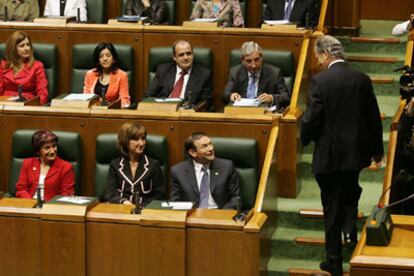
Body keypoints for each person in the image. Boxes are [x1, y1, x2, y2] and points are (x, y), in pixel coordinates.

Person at [300, 35, 383, 276]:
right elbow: (373, 118)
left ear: (326, 54)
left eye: (318, 58)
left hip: (329, 156)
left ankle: (334, 262)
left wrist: (305, 137)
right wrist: (377, 150)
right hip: (356, 154)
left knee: (331, 206)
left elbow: (312, 118)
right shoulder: (362, 79)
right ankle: (350, 228)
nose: (318, 62)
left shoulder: (319, 81)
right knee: (350, 189)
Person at [170, 132, 240, 209]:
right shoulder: (178, 171)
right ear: (193, 153)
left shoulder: (226, 167)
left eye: (210, 144)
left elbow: (236, 198)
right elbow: (175, 201)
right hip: (192, 215)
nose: (211, 149)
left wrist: (222, 215)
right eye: (204, 146)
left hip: (219, 214)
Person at [105, 122, 165, 206]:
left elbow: (159, 196)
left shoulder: (154, 165)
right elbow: (110, 194)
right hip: (121, 210)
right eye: (136, 139)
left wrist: (140, 206)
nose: (141, 143)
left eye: (143, 139)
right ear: (126, 141)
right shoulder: (115, 165)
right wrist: (124, 202)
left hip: (145, 211)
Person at [223, 41, 290, 111]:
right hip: (240, 112)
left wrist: (271, 97)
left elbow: (286, 97)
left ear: (262, 58)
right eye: (248, 61)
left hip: (264, 114)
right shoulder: (235, 72)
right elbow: (225, 94)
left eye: (256, 60)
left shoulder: (274, 73)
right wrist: (231, 96)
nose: (253, 65)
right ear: (242, 60)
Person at [145, 40, 212, 109]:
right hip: (163, 111)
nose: (186, 57)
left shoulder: (204, 75)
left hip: (187, 114)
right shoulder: (163, 70)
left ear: (193, 54)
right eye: (181, 55)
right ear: (174, 57)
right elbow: (149, 95)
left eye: (188, 53)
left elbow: (205, 103)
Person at [15, 129, 75, 202]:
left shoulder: (66, 167)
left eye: (54, 146)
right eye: (47, 148)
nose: (52, 151)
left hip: (52, 208)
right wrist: (31, 203)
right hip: (29, 205)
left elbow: (67, 194)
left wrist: (47, 206)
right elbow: (21, 188)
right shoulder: (27, 163)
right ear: (38, 151)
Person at [0, 31, 48, 105]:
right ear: (13, 48)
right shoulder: (4, 65)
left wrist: (34, 107)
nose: (26, 48)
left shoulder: (37, 66)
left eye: (28, 45)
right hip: (5, 106)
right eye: (22, 46)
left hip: (27, 106)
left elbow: (42, 93)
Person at [83, 42, 131, 108]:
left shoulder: (122, 75)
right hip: (93, 111)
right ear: (98, 60)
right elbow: (86, 97)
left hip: (112, 112)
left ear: (113, 59)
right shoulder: (90, 74)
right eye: (101, 56)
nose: (105, 59)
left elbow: (125, 100)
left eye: (108, 55)